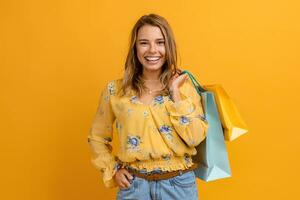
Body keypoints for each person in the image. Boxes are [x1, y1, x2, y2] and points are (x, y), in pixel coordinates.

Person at [87, 13, 209, 200]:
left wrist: (175, 92)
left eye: (160, 42)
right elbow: (96, 137)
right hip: (134, 187)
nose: (153, 50)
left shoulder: (184, 88)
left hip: (179, 186)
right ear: (135, 48)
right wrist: (113, 170)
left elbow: (195, 137)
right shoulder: (115, 90)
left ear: (168, 47)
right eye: (144, 43)